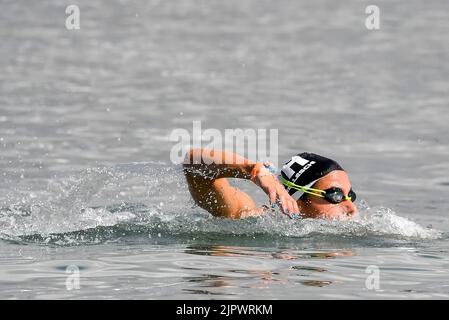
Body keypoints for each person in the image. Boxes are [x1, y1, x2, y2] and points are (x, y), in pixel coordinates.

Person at [183, 148, 358, 220]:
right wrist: (254, 170)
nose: (352, 209)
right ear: (297, 198)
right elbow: (192, 161)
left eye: (351, 196)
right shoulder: (245, 216)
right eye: (336, 195)